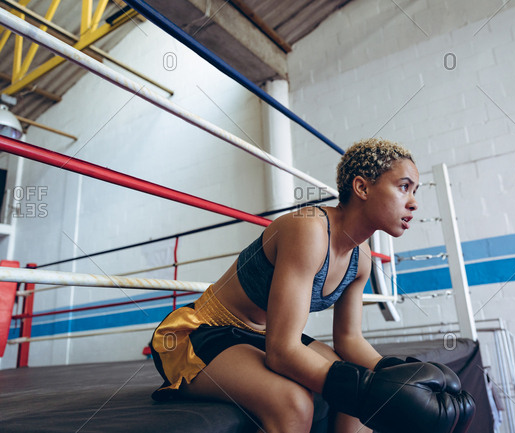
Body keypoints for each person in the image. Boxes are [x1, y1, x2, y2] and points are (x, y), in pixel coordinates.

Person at [149, 138, 474, 433]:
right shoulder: (308, 230)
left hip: (261, 335)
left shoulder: (360, 258)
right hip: (197, 334)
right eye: (404, 187)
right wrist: (364, 389)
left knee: (363, 403)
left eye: (415, 190)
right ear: (362, 187)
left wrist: (390, 373)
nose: (414, 202)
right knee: (294, 404)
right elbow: (281, 352)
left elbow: (349, 340)